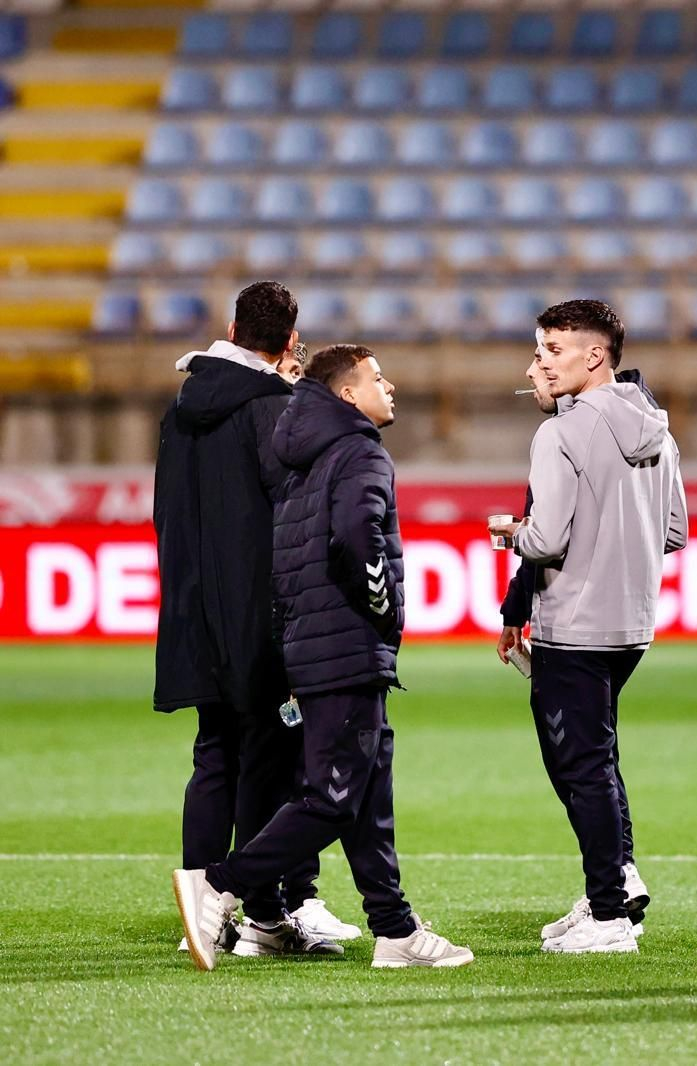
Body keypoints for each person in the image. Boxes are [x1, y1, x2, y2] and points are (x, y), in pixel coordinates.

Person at [173, 344, 472, 971]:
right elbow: (359, 536)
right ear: (346, 394)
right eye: (376, 377)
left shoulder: (298, 459)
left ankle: (394, 929)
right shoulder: (359, 451)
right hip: (348, 646)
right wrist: (384, 611)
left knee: (367, 794)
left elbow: (286, 558)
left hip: (311, 644)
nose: (390, 386)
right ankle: (219, 885)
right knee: (333, 797)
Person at [153, 282, 355, 956]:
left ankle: (201, 917)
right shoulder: (274, 409)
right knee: (276, 760)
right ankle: (272, 910)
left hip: (194, 608)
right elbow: (295, 512)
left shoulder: (180, 413)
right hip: (263, 616)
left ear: (232, 327)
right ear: (292, 342)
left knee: (214, 757)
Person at [488, 300, 687, 955]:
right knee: (599, 760)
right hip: (631, 623)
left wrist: (508, 533)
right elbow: (676, 532)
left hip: (573, 623)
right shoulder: (657, 427)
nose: (540, 363)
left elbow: (544, 538)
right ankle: (615, 886)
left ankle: (609, 916)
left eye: (552, 350)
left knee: (579, 767)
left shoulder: (560, 435)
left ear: (593, 356)